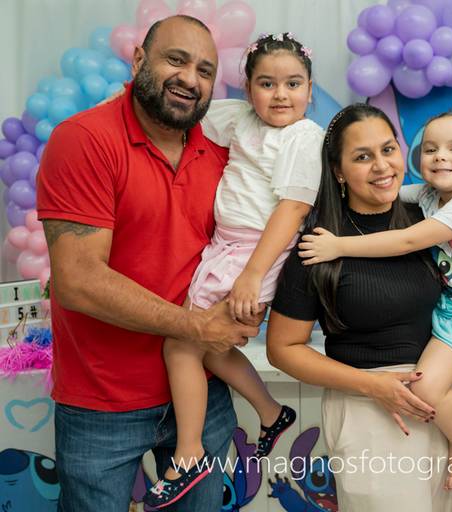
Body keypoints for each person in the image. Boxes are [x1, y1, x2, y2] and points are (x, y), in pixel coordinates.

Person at [36, 15, 262, 511]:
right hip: (102, 401)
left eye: (205, 70)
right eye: (175, 60)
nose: (190, 79)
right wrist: (197, 327)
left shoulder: (222, 150)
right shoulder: (84, 140)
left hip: (202, 395)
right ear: (139, 59)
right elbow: (78, 280)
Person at [266, 104, 452, 511]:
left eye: (388, 150)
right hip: (370, 414)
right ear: (338, 171)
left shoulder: (430, 217)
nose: (381, 166)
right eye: (362, 156)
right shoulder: (320, 245)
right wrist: (373, 385)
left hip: (445, 405)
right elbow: (282, 349)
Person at [143, 32, 324, 508]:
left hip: (255, 253)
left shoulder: (304, 136)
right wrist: (120, 100)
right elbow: (187, 117)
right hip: (223, 248)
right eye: (267, 84)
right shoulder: (239, 117)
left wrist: (252, 275)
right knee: (209, 347)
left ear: (310, 89)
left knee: (180, 344)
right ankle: (271, 412)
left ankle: (188, 453)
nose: (280, 95)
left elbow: (293, 208)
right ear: (248, 88)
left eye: (293, 84)